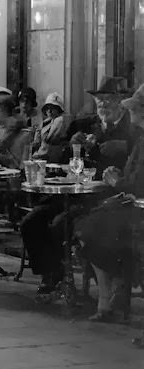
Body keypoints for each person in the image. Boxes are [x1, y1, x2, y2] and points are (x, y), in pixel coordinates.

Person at [20, 76, 142, 293]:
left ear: (122, 102)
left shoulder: (132, 129)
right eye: (99, 100)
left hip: (106, 198)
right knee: (31, 221)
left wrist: (122, 148)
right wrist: (71, 146)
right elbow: (61, 158)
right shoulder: (86, 124)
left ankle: (73, 281)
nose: (103, 104)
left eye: (110, 99)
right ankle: (53, 273)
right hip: (77, 193)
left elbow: (135, 171)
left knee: (61, 224)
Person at [74, 82, 144, 323]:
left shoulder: (137, 136)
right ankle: (112, 295)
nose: (131, 111)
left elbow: (138, 183)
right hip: (124, 201)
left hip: (135, 207)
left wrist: (117, 182)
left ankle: (113, 295)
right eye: (99, 100)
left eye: (133, 108)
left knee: (89, 228)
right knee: (87, 225)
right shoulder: (139, 137)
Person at [30, 92, 70, 162]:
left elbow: (49, 138)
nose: (49, 111)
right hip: (40, 159)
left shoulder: (60, 121)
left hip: (52, 160)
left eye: (53, 108)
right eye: (47, 108)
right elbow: (36, 143)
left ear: (59, 109)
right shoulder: (45, 123)